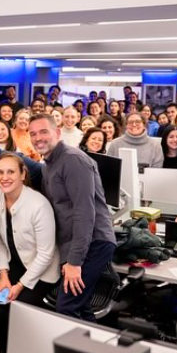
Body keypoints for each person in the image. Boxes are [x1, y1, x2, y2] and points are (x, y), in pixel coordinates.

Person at [29, 114, 116, 321]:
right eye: (32, 134)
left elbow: (84, 213)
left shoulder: (72, 159)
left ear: (57, 133)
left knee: (67, 307)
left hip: (93, 242)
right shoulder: (49, 164)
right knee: (82, 306)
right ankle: (96, 350)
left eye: (43, 131)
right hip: (78, 244)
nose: (38, 138)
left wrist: (75, 261)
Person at [0, 152, 59, 353]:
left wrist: (19, 285)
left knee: (19, 311)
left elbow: (46, 253)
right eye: (0, 172)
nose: (5, 177)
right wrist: (3, 275)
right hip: (14, 264)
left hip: (41, 270)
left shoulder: (39, 205)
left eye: (11, 171)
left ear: (22, 174)